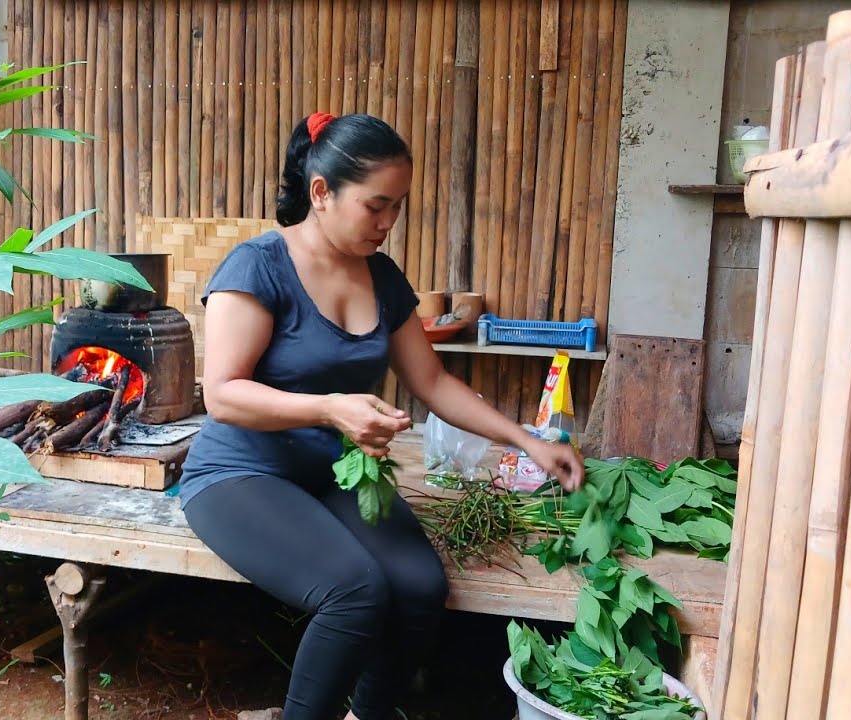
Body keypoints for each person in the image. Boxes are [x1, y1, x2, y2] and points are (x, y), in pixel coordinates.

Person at [178, 112, 585, 720]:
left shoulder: (383, 278)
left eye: (397, 206)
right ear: (322, 193)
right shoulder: (257, 267)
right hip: (241, 473)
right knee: (354, 592)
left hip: (335, 473)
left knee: (421, 588)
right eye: (376, 206)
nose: (389, 223)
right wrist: (327, 408)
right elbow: (223, 395)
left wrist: (525, 441)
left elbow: (433, 381)